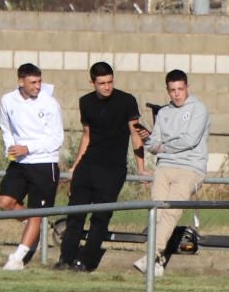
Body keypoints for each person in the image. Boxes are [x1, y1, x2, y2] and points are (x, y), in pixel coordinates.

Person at [57, 61, 145, 271]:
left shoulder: (126, 101)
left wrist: (141, 167)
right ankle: (66, 258)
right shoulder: (85, 102)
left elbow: (135, 134)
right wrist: (75, 167)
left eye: (110, 82)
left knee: (101, 217)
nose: (107, 86)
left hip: (113, 169)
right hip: (88, 166)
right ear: (92, 82)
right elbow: (86, 136)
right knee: (76, 214)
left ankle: (85, 262)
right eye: (102, 83)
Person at [130, 70, 209, 278]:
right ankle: (157, 261)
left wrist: (163, 146)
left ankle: (151, 254)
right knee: (156, 211)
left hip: (190, 167)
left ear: (187, 88)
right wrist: (147, 140)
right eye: (172, 90)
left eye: (180, 89)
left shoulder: (199, 109)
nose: (177, 94)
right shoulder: (164, 113)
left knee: (171, 210)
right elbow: (153, 145)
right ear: (167, 91)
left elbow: (189, 141)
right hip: (164, 166)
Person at [0, 63, 65, 270]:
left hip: (44, 164)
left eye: (39, 81)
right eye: (33, 82)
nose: (37, 86)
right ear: (21, 82)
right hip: (19, 163)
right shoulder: (7, 100)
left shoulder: (49, 103)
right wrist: (10, 149)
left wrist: (28, 148)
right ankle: (34, 223)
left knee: (37, 213)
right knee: (4, 202)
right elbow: (5, 128)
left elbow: (57, 139)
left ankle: (17, 259)